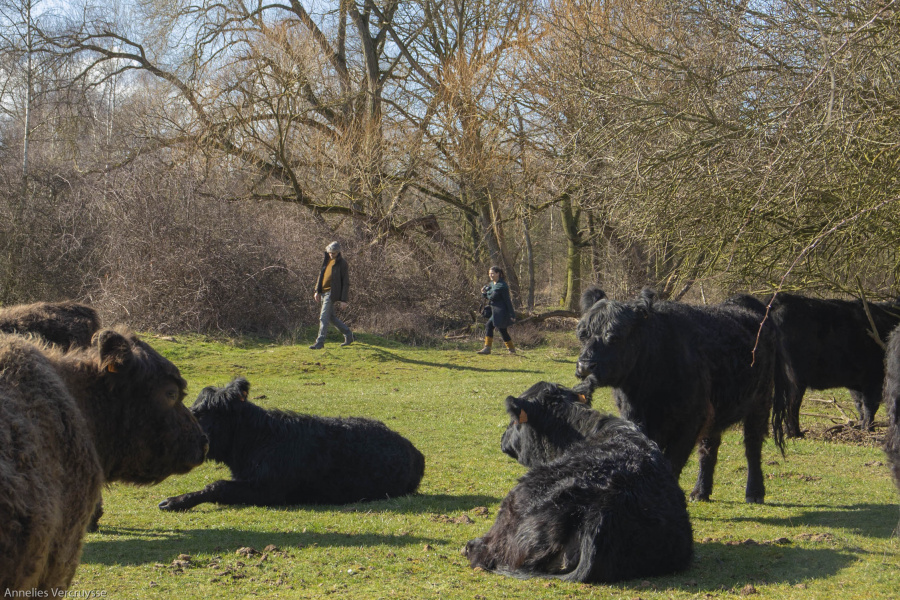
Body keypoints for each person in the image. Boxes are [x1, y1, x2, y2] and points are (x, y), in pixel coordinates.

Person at [310, 241, 353, 349]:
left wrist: (344, 300)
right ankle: (348, 334)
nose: (331, 255)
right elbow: (321, 276)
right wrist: (317, 291)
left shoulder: (342, 263)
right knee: (331, 318)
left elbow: (346, 282)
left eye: (333, 253)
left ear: (338, 252)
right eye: (330, 252)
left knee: (323, 317)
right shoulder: (326, 260)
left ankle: (320, 342)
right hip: (323, 292)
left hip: (331, 293)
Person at [477, 266, 516, 354]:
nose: (490, 275)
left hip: (501, 311)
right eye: (489, 273)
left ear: (498, 273)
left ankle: (487, 348)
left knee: (489, 325)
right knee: (502, 330)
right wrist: (485, 293)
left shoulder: (502, 285)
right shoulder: (492, 284)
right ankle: (511, 349)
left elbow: (494, 297)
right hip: (495, 310)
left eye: (492, 273)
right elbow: (489, 295)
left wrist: (512, 314)